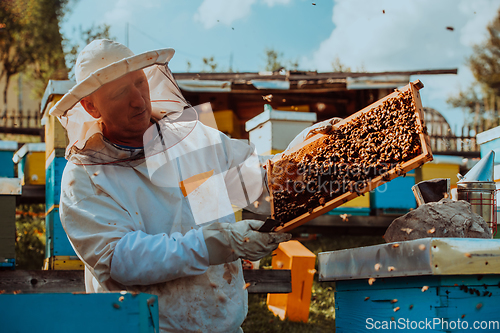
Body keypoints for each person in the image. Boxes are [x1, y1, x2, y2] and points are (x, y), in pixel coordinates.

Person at [52, 39, 338, 333]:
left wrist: (299, 155)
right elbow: (121, 260)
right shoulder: (83, 179)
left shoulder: (192, 138)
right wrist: (218, 243)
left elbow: (251, 180)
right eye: (121, 92)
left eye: (140, 83)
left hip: (223, 324)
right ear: (90, 106)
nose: (138, 100)